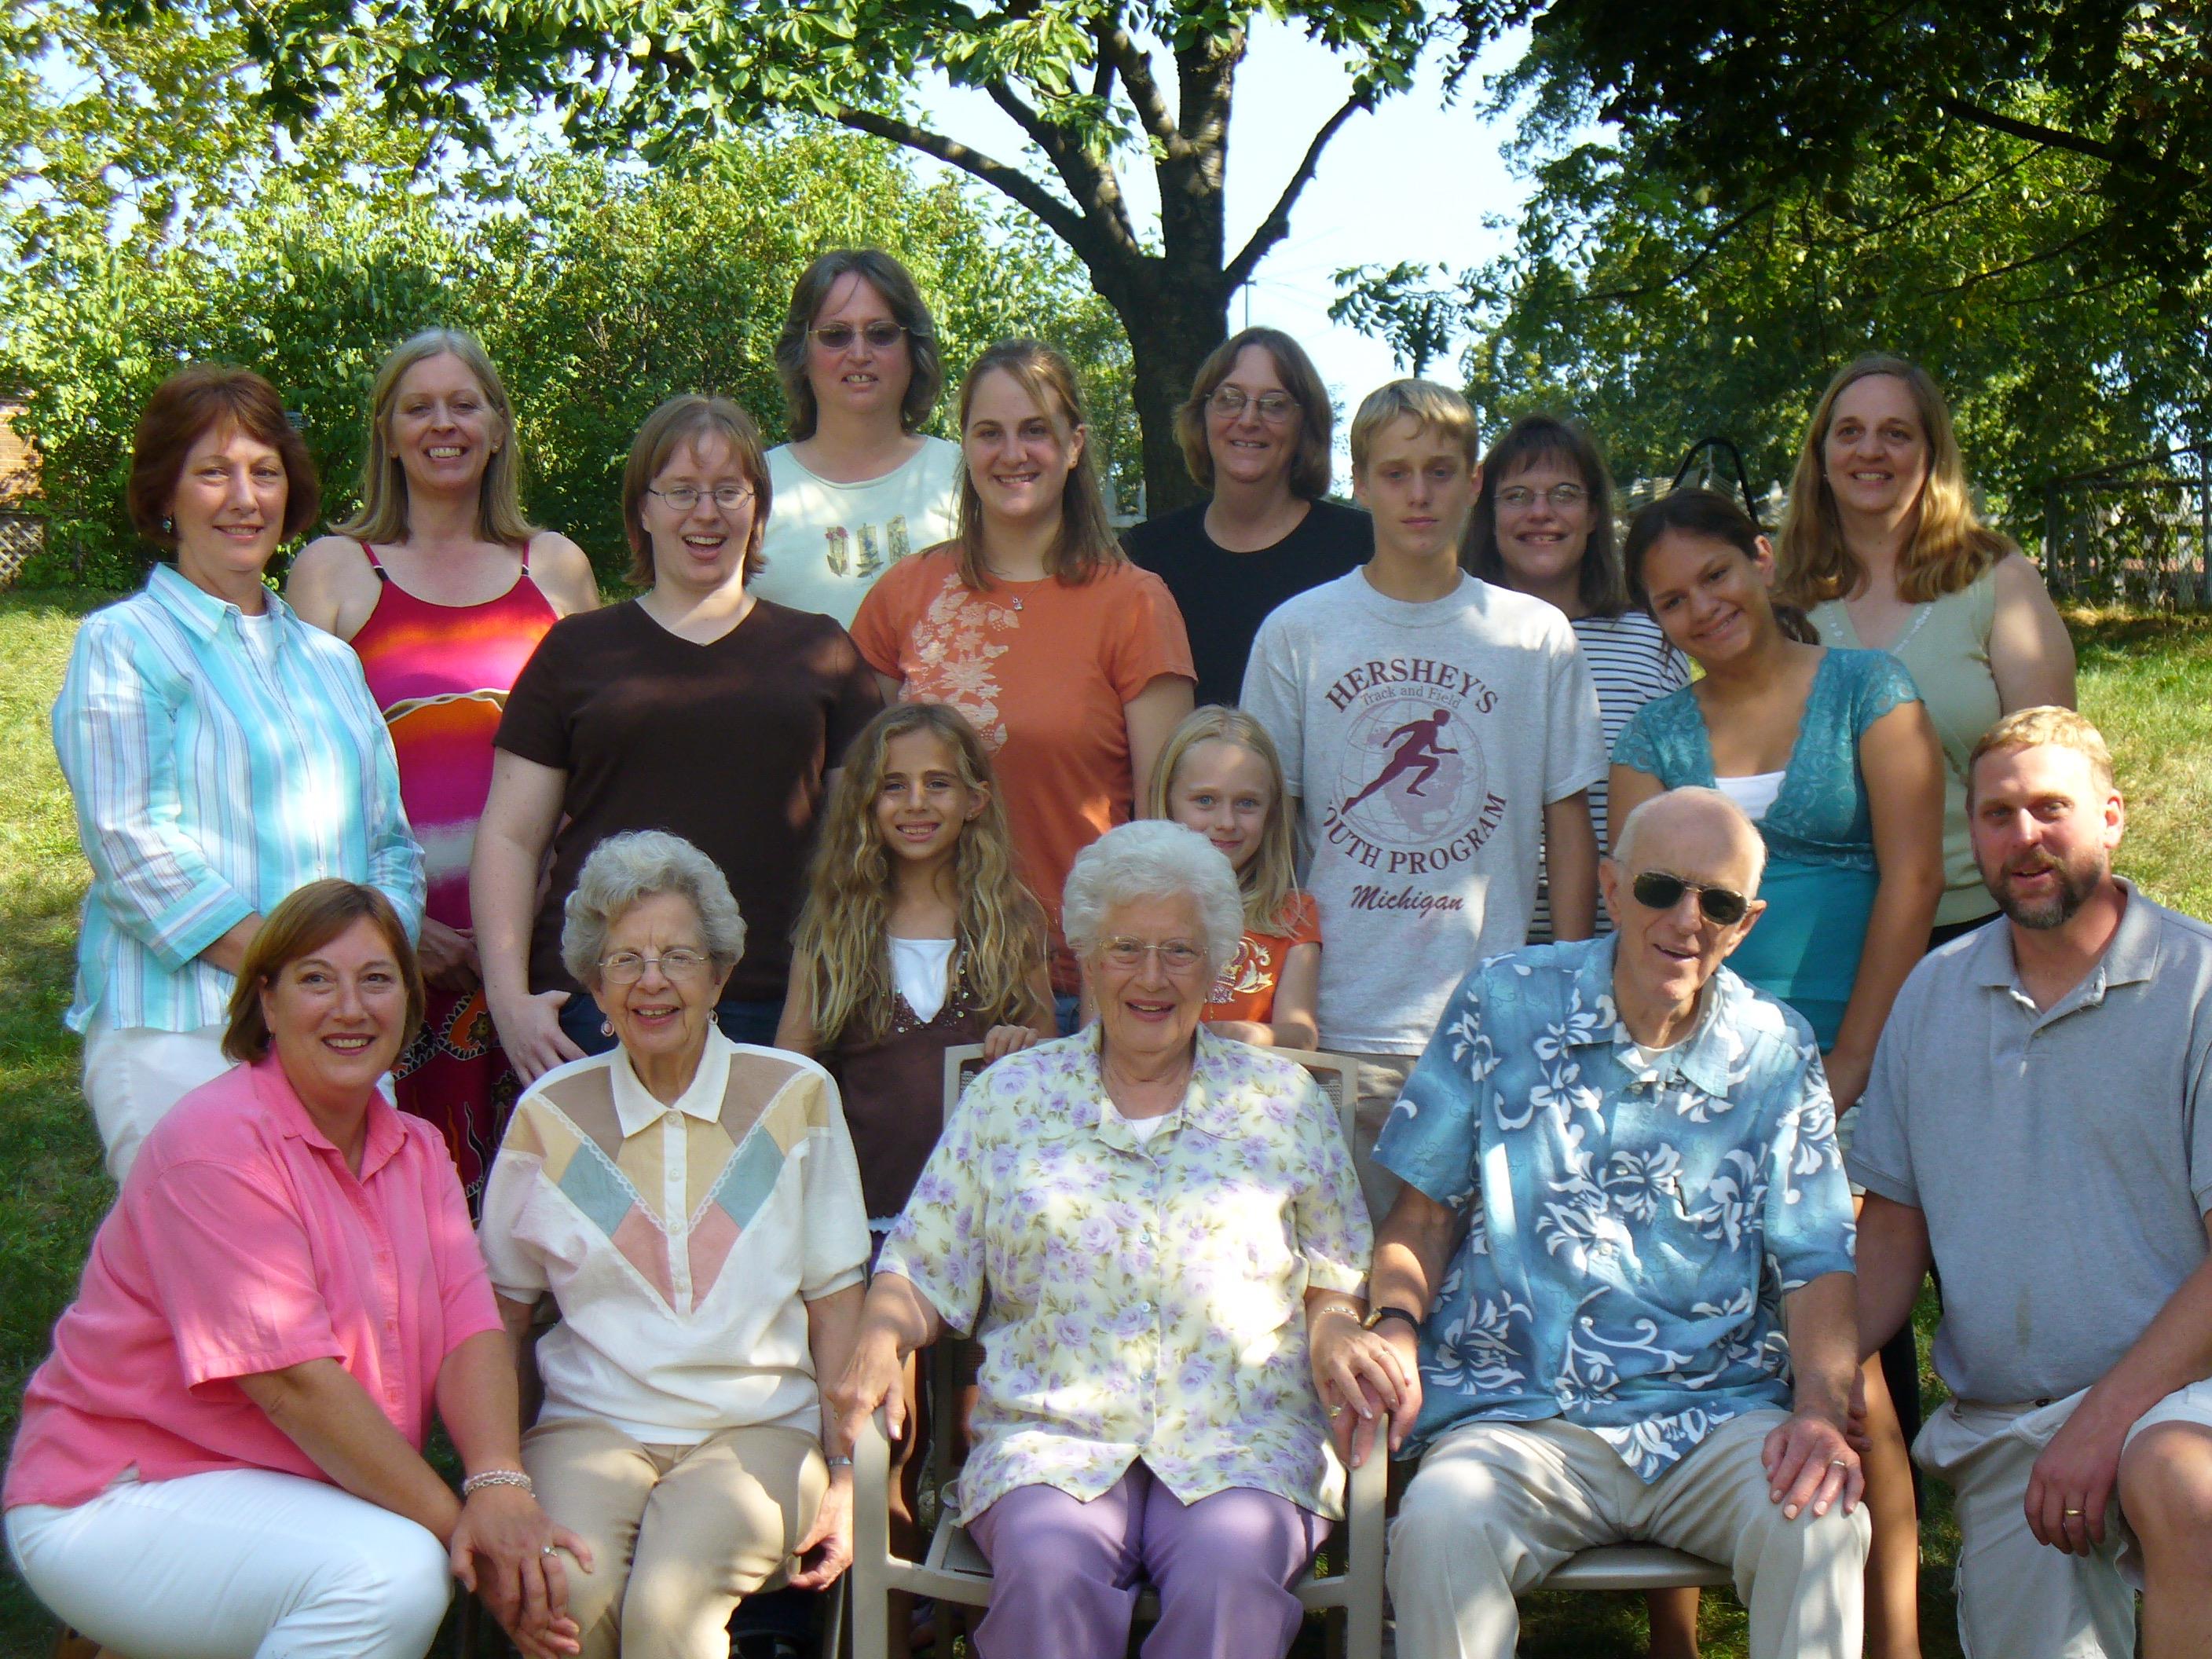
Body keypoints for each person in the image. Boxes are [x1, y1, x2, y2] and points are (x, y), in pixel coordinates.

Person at [827, 821, 1382, 1659]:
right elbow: (921, 1264)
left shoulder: (1280, 1101)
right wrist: (877, 1334)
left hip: (1241, 1440)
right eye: (1125, 949)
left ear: (1217, 963)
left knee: (1229, 1579)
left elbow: (1334, 1277)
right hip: (1055, 1440)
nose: (1151, 978)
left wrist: (1336, 1323)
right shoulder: (1011, 1099)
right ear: (1085, 954)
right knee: (1048, 1575)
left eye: (1179, 952)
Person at [1346, 787, 1868, 1658]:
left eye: (1720, 903)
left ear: (1746, 924)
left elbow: (1815, 1259)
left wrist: (1816, 1409)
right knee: (1438, 1525)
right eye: (1662, 889)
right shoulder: (1504, 1002)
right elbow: (1421, 1217)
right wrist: (1395, 1322)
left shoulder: (1775, 1049)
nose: (1687, 919)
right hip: (1519, 1413)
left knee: (1820, 1522)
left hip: (1713, 1413)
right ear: (1611, 886)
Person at [5, 881, 583, 1659]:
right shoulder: (217, 1144)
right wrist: (474, 1539)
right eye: (316, 979)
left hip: (283, 1495)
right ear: (266, 1003)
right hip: (124, 1493)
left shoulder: (414, 1147)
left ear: (409, 1005)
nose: (351, 1007)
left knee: (392, 1562)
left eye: (377, 979)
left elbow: (468, 1325)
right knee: (390, 1575)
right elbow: (292, 1384)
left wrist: (497, 1483)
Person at [1612, 487, 1945, 1657]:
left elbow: (1911, 882)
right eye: (1672, 601)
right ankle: (1675, 1636)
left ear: (1761, 560)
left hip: (1857, 1047)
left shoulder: (1865, 688)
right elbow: (1643, 909)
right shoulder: (1654, 735)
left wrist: (1853, 1055)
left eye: (1716, 575)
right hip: (1700, 1075)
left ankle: (1893, 1634)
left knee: (1847, 1365)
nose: (1703, 608)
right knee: (1674, 1331)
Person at [1852, 708, 2212, 1659]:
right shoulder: (1931, 994)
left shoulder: (2197, 982)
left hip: (2184, 1396)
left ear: (2112, 816)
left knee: (2181, 1482)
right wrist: (1804, 1369)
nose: (2023, 838)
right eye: (1996, 814)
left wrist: (2104, 1421)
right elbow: (1891, 1232)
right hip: (2010, 1428)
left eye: (2049, 808)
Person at [477, 832, 870, 1659]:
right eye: (625, 960)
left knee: (667, 1614)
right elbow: (500, 1319)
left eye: (678, 957)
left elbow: (837, 1303)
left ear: (720, 973)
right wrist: (498, 1478)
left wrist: (847, 1476)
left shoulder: (795, 1098)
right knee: (563, 1607)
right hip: (590, 1426)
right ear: (594, 981)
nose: (651, 982)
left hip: (759, 1428)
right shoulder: (549, 1117)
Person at [1241, 379, 1606, 1220]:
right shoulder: (1299, 632)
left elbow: (1567, 822)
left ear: (1472, 483)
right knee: (1337, 1291)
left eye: (1439, 471)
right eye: (1395, 472)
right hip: (1332, 1027)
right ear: (1358, 482)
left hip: (1490, 1025)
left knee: (1478, 1299)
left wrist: (1572, 995)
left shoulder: (1531, 636)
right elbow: (1264, 833)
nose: (1417, 494)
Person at [52, 364, 424, 1181]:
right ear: (165, 495)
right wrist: (300, 979)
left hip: (341, 1034)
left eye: (264, 471)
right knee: (215, 1293)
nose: (244, 497)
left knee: (353, 1283)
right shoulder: (124, 646)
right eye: (213, 472)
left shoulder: (330, 662)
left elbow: (389, 847)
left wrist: (358, 979)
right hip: (182, 1034)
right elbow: (131, 846)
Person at [474, 392, 882, 1086]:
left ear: (758, 508)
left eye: (729, 490)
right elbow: (511, 837)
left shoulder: (823, 652)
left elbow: (861, 853)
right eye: (682, 491)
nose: (706, 513)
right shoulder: (576, 651)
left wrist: (813, 1014)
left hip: (773, 1013)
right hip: (593, 1014)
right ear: (643, 508)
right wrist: (509, 1001)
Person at [288, 328, 599, 1210]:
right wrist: (394, 924)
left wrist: (537, 903)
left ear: (498, 427)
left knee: (551, 1210)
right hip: (390, 953)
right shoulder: (336, 571)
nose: (443, 424)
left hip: (545, 945)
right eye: (417, 408)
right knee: (391, 1207)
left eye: (464, 404)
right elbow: (305, 777)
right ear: (385, 433)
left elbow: (597, 751)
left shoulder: (554, 567)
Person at [850, 340, 1195, 1021]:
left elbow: (1166, 829)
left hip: (1077, 982)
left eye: (1036, 430)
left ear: (1074, 446)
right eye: (990, 433)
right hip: (918, 975)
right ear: (966, 449)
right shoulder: (904, 594)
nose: (1013, 453)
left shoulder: (1133, 603)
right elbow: (857, 797)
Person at [1778, 355, 2077, 947]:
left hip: (1980, 923)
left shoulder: (2000, 581)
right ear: (1821, 457)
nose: (1871, 450)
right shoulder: (1778, 596)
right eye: (1850, 432)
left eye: (1896, 433)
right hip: (1815, 932)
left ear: (1932, 454)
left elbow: (2053, 773)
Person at [1465, 413, 1689, 944]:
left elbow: (1677, 808)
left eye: (1563, 494)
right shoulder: (1453, 642)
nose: (1540, 513)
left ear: (1593, 515)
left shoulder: (1650, 644)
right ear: (1488, 516)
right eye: (1517, 496)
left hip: (1616, 946)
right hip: (1472, 948)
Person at [1122, 328, 1372, 704]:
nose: (1249, 419)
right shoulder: (1145, 557)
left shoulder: (1362, 550)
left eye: (1275, 404)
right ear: (1202, 415)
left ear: (1305, 425)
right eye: (1229, 399)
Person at [751, 250, 962, 626]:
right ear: (802, 352)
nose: (860, 353)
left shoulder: (962, 476)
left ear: (913, 349)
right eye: (835, 335)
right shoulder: (753, 487)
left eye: (881, 334)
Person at [1147, 705, 1320, 1049]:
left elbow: (1302, 1035)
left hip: (1246, 1093)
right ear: (1167, 801)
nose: (1226, 821)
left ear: (1272, 812)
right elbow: (1098, 1033)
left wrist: (1250, 1035)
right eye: (1205, 800)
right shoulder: (1124, 904)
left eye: (1247, 804)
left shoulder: (1291, 913)